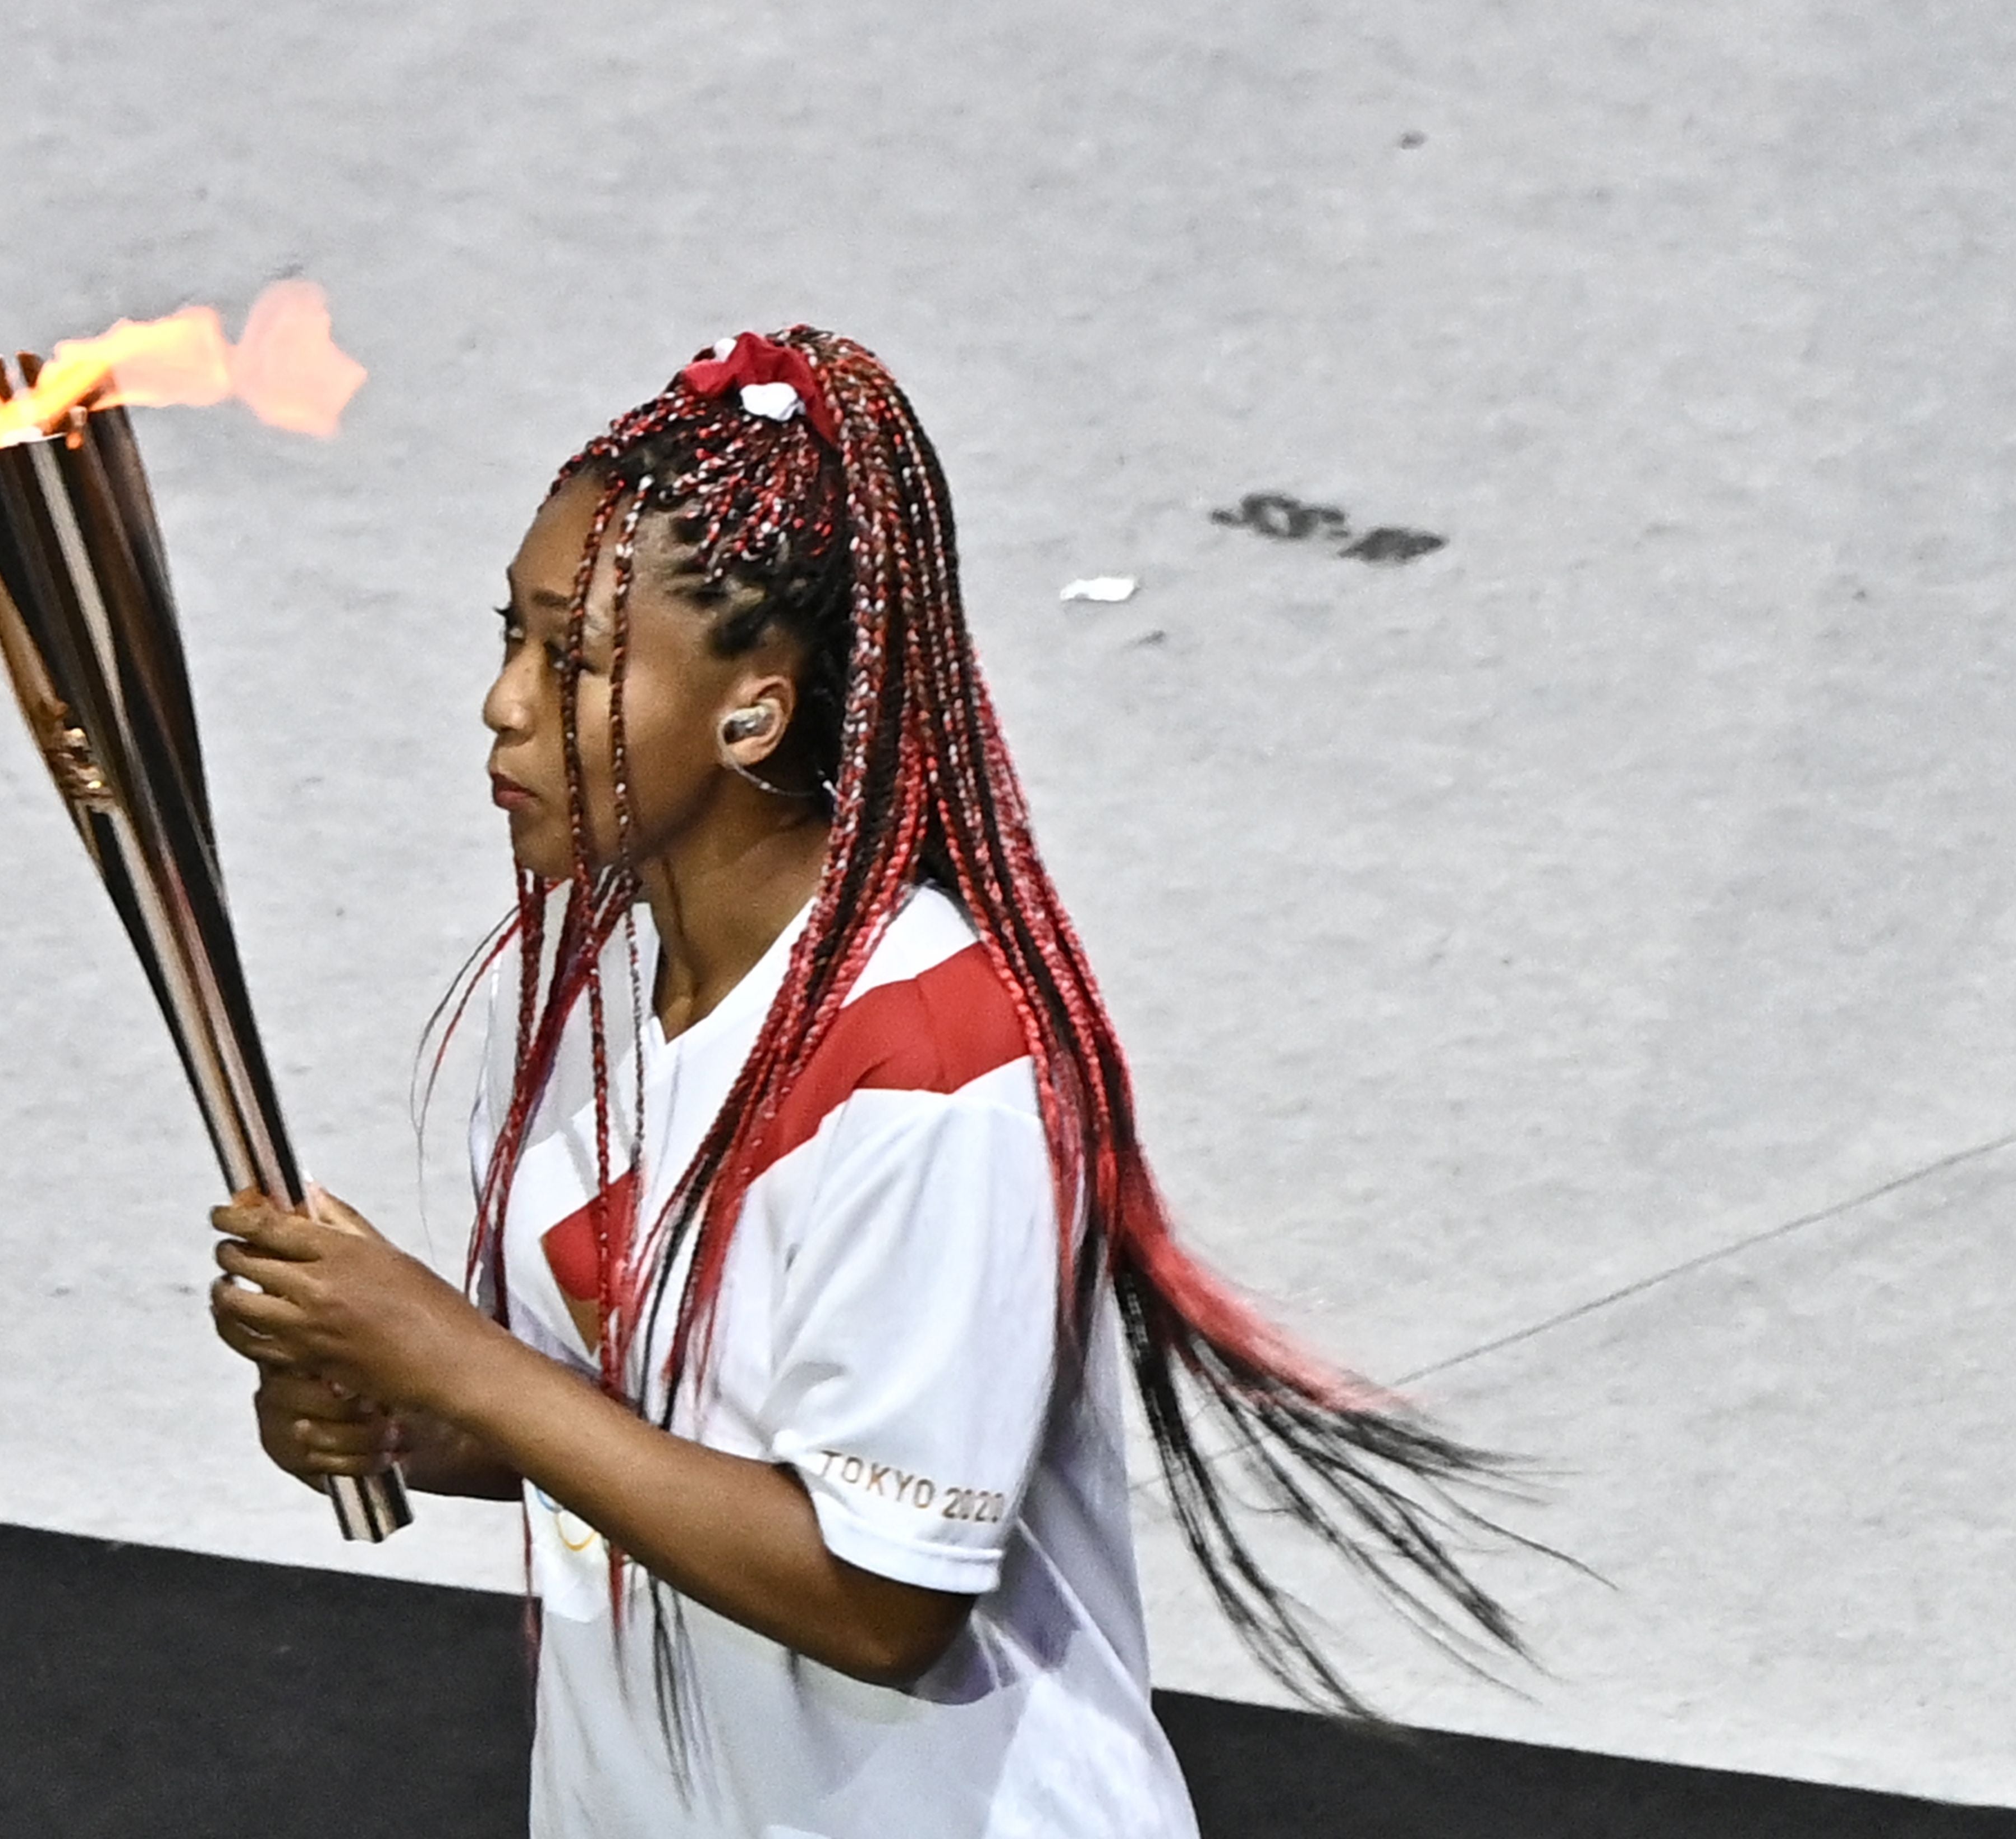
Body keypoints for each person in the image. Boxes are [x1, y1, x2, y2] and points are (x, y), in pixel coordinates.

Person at [207, 328, 1518, 1836]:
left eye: (570, 656)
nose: (503, 704)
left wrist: (457, 1362)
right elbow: (651, 1437)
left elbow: (886, 1593)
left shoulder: (930, 1063)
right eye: (510, 639)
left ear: (753, 710)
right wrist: (392, 1415)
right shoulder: (654, 1027)